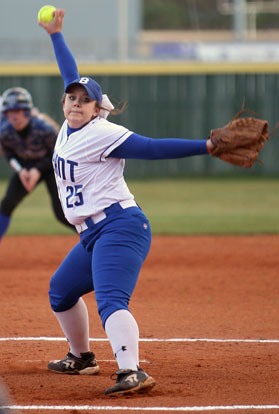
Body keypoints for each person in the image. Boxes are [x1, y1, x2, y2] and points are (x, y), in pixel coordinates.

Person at [38, 9, 215, 396]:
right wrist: (56, 34)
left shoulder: (103, 133)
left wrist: (207, 146)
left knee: (111, 300)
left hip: (120, 226)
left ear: (98, 107)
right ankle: (81, 358)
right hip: (91, 232)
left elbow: (152, 148)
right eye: (71, 98)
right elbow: (70, 71)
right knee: (60, 292)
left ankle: (131, 371)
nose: (76, 103)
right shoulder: (69, 125)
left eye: (86, 100)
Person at [0, 86, 74, 240]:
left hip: (51, 167)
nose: (15, 116)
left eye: (19, 111)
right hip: (25, 167)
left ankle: (95, 238)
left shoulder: (43, 128)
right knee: (6, 204)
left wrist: (37, 169)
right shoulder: (5, 131)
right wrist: (21, 170)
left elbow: (59, 153)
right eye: (10, 112)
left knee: (62, 213)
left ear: (27, 111)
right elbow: (9, 154)